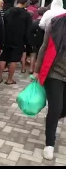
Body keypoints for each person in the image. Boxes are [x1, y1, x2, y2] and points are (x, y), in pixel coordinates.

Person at [33, 13, 66, 161]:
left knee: (61, 109)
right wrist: (37, 70)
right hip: (55, 73)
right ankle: (49, 144)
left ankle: (51, 120)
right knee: (55, 108)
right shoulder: (56, 22)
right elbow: (44, 47)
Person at [0, 0, 32, 85]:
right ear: (25, 3)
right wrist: (27, 43)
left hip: (7, 38)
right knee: (14, 59)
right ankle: (9, 79)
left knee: (3, 57)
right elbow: (28, 30)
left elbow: (3, 25)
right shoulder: (26, 15)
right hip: (19, 39)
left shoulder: (8, 12)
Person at [28, 7, 47, 74]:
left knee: (33, 55)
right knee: (40, 56)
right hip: (42, 41)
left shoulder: (33, 22)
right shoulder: (45, 23)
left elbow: (30, 33)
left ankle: (31, 69)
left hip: (34, 41)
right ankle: (37, 69)